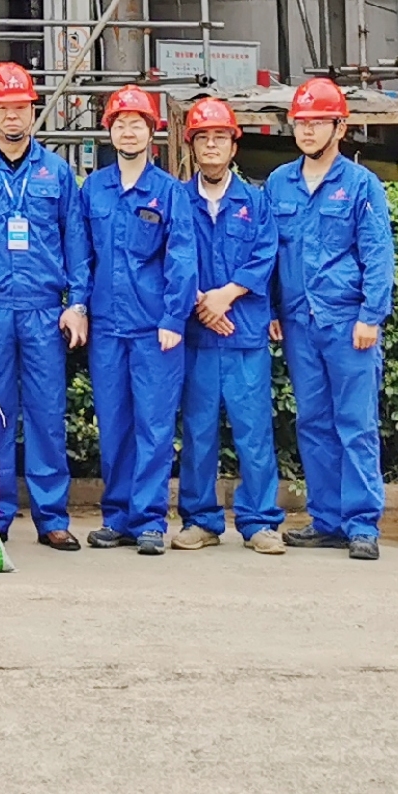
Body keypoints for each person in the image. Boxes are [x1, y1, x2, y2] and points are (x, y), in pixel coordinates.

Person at [0, 61, 86, 551]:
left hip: (43, 308)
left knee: (47, 411)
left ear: (33, 111)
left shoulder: (56, 172)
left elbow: (76, 242)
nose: (13, 116)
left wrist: (78, 303)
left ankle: (52, 517)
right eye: (3, 108)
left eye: (21, 107)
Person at [266, 76, 397, 560]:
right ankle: (326, 520)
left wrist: (371, 315)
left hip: (347, 324)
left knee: (356, 423)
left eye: (318, 122)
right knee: (314, 423)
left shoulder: (361, 185)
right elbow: (268, 254)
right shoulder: (279, 184)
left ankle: (362, 524)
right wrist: (272, 310)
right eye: (301, 122)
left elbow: (378, 253)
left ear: (340, 127)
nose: (307, 130)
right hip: (299, 324)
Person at [80, 87, 195, 556]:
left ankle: (149, 520)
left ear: (152, 132)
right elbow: (81, 256)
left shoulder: (169, 192)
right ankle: (117, 517)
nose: (128, 132)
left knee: (154, 425)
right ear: (109, 131)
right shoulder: (93, 189)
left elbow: (182, 258)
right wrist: (78, 306)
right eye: (120, 124)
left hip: (153, 329)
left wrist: (174, 317)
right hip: (107, 328)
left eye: (137, 124)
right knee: (114, 424)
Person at [174, 95, 284, 554]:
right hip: (198, 337)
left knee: (253, 432)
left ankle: (260, 522)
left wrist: (226, 296)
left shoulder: (255, 202)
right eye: (203, 138)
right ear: (192, 147)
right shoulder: (178, 200)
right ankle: (200, 520)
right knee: (198, 433)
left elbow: (265, 255)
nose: (212, 146)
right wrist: (202, 301)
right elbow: (171, 255)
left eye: (221, 137)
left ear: (234, 146)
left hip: (244, 337)